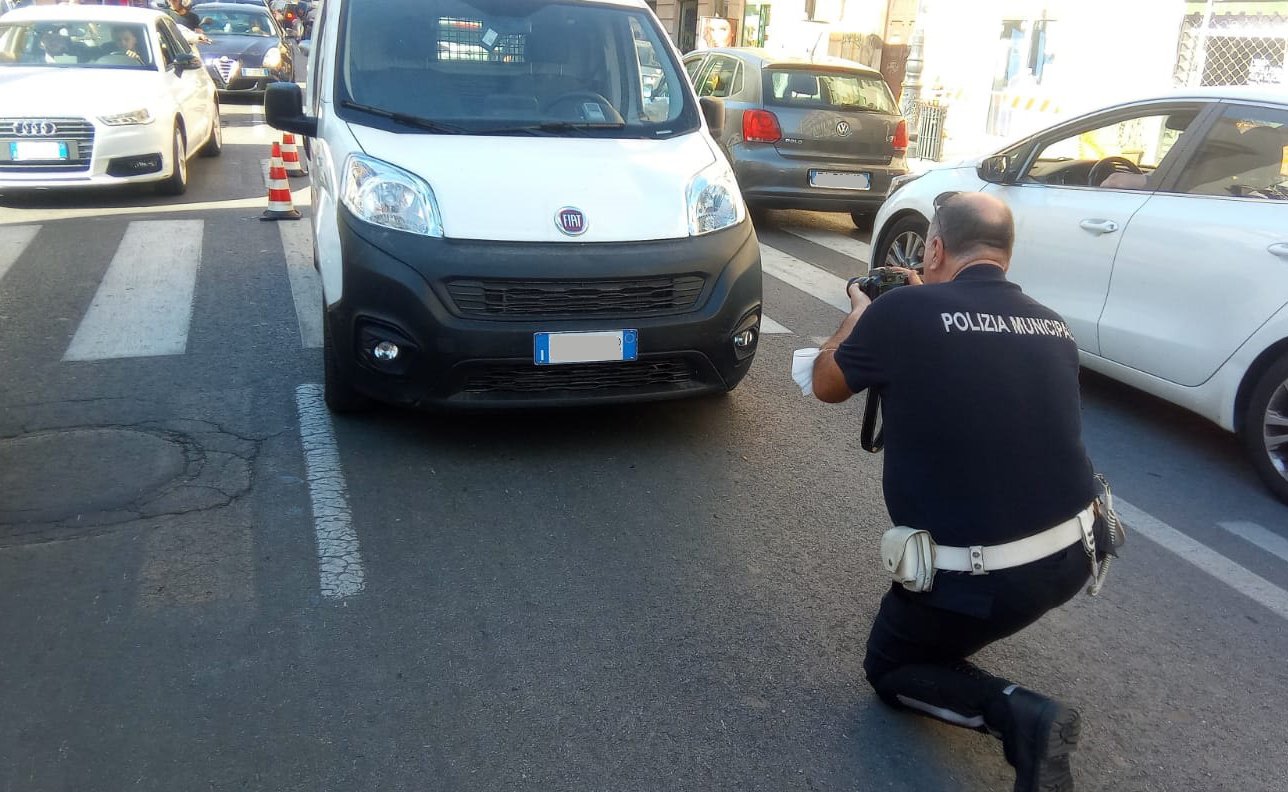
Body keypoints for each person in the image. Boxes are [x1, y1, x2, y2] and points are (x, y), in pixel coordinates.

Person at [811, 192, 1100, 792]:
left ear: (935, 248)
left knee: (891, 667)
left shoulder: (904, 313)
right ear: (1006, 257)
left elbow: (826, 382)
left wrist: (863, 314)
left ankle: (1022, 718)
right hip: (1077, 555)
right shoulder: (1053, 324)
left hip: (985, 581)